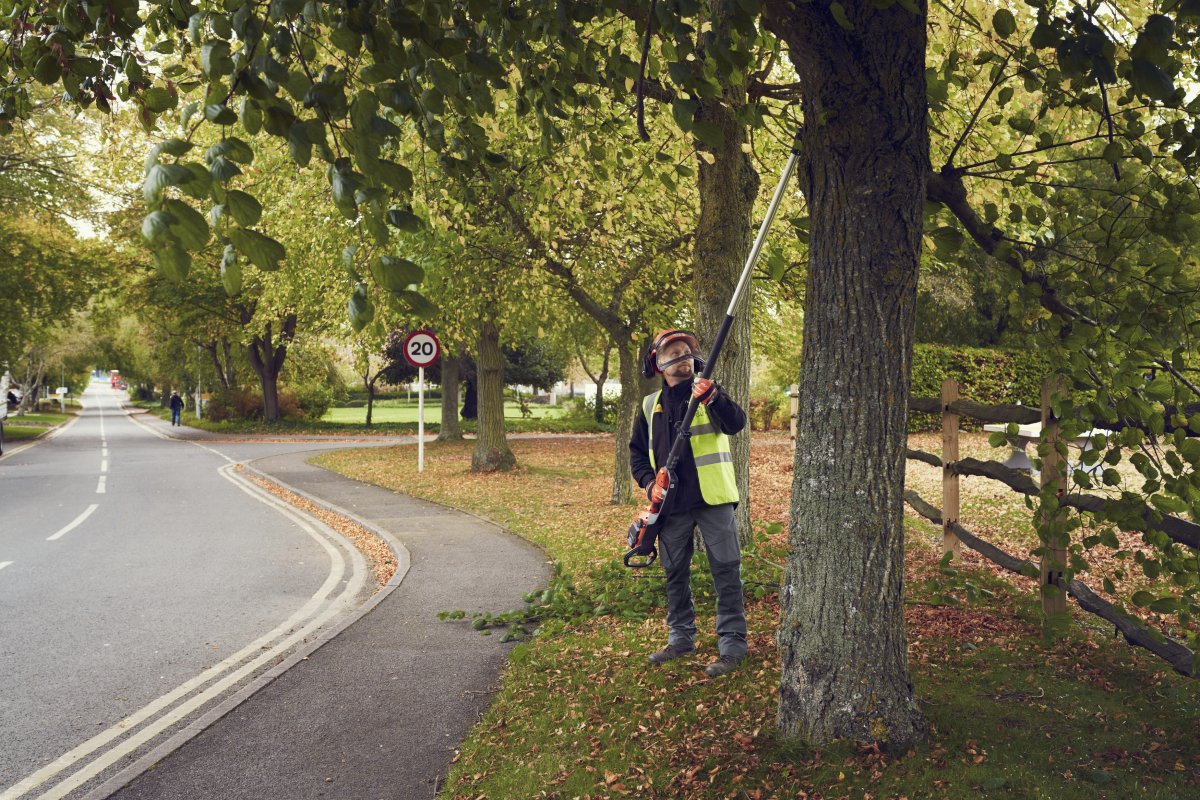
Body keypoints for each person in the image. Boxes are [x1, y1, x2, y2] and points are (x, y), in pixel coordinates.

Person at [629, 329, 748, 677]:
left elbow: (736, 423)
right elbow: (637, 454)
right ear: (658, 363)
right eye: (673, 352)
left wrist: (714, 398)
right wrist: (650, 484)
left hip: (714, 499)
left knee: (726, 570)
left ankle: (732, 645)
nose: (681, 357)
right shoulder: (650, 406)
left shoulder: (708, 392)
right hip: (671, 505)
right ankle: (680, 638)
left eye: (685, 351)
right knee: (674, 572)